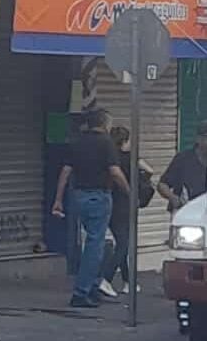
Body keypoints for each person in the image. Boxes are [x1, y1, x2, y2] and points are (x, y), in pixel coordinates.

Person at [52, 108, 129, 308]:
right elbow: (115, 171)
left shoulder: (76, 142)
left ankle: (93, 286)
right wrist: (129, 191)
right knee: (95, 246)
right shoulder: (106, 143)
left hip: (78, 196)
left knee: (96, 243)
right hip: (98, 196)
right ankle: (82, 291)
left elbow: (65, 172)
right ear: (104, 124)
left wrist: (58, 199)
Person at [99, 127, 155, 297]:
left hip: (109, 203)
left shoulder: (107, 158)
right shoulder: (129, 158)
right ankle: (106, 279)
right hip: (125, 205)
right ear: (125, 142)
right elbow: (150, 171)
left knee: (121, 242)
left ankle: (128, 281)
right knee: (124, 243)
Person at [158, 120, 207, 212]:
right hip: (186, 211)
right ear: (199, 139)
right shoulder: (183, 159)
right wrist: (172, 198)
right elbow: (162, 184)